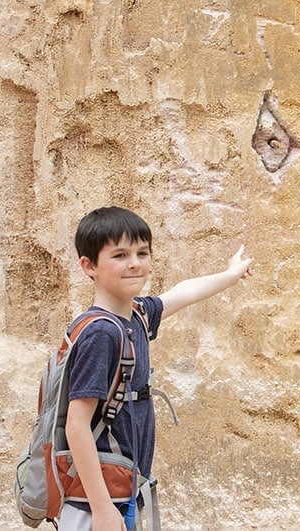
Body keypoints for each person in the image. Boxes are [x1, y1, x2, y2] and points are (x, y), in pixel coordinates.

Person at [60, 206, 253, 531]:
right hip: (96, 503)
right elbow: (76, 426)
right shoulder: (101, 333)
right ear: (89, 266)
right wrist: (103, 509)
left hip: (122, 488)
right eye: (120, 255)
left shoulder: (135, 316)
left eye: (142, 252)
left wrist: (230, 274)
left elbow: (183, 292)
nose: (135, 263)